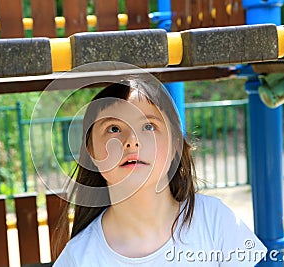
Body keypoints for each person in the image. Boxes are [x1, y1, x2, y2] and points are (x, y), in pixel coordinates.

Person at [53, 77, 267, 266]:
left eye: (148, 126)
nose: (132, 142)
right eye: (114, 129)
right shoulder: (78, 257)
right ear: (91, 152)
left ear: (175, 143)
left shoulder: (214, 219)